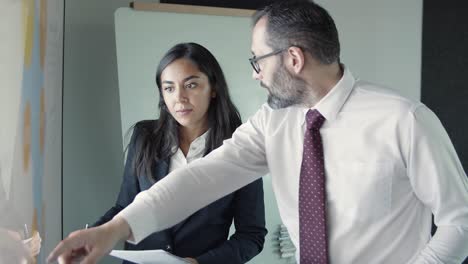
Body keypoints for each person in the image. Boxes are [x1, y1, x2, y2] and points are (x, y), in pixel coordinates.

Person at [48, 1, 468, 264]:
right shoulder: (274, 122)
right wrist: (114, 229)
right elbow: (198, 179)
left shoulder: (404, 120)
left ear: (294, 59)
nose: (256, 76)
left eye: (258, 61)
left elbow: (460, 221)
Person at [95, 42, 267, 264]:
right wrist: (95, 233)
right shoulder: (145, 136)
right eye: (169, 88)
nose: (179, 98)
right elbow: (125, 206)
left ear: (213, 88)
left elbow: (251, 236)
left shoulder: (239, 148)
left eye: (191, 85)